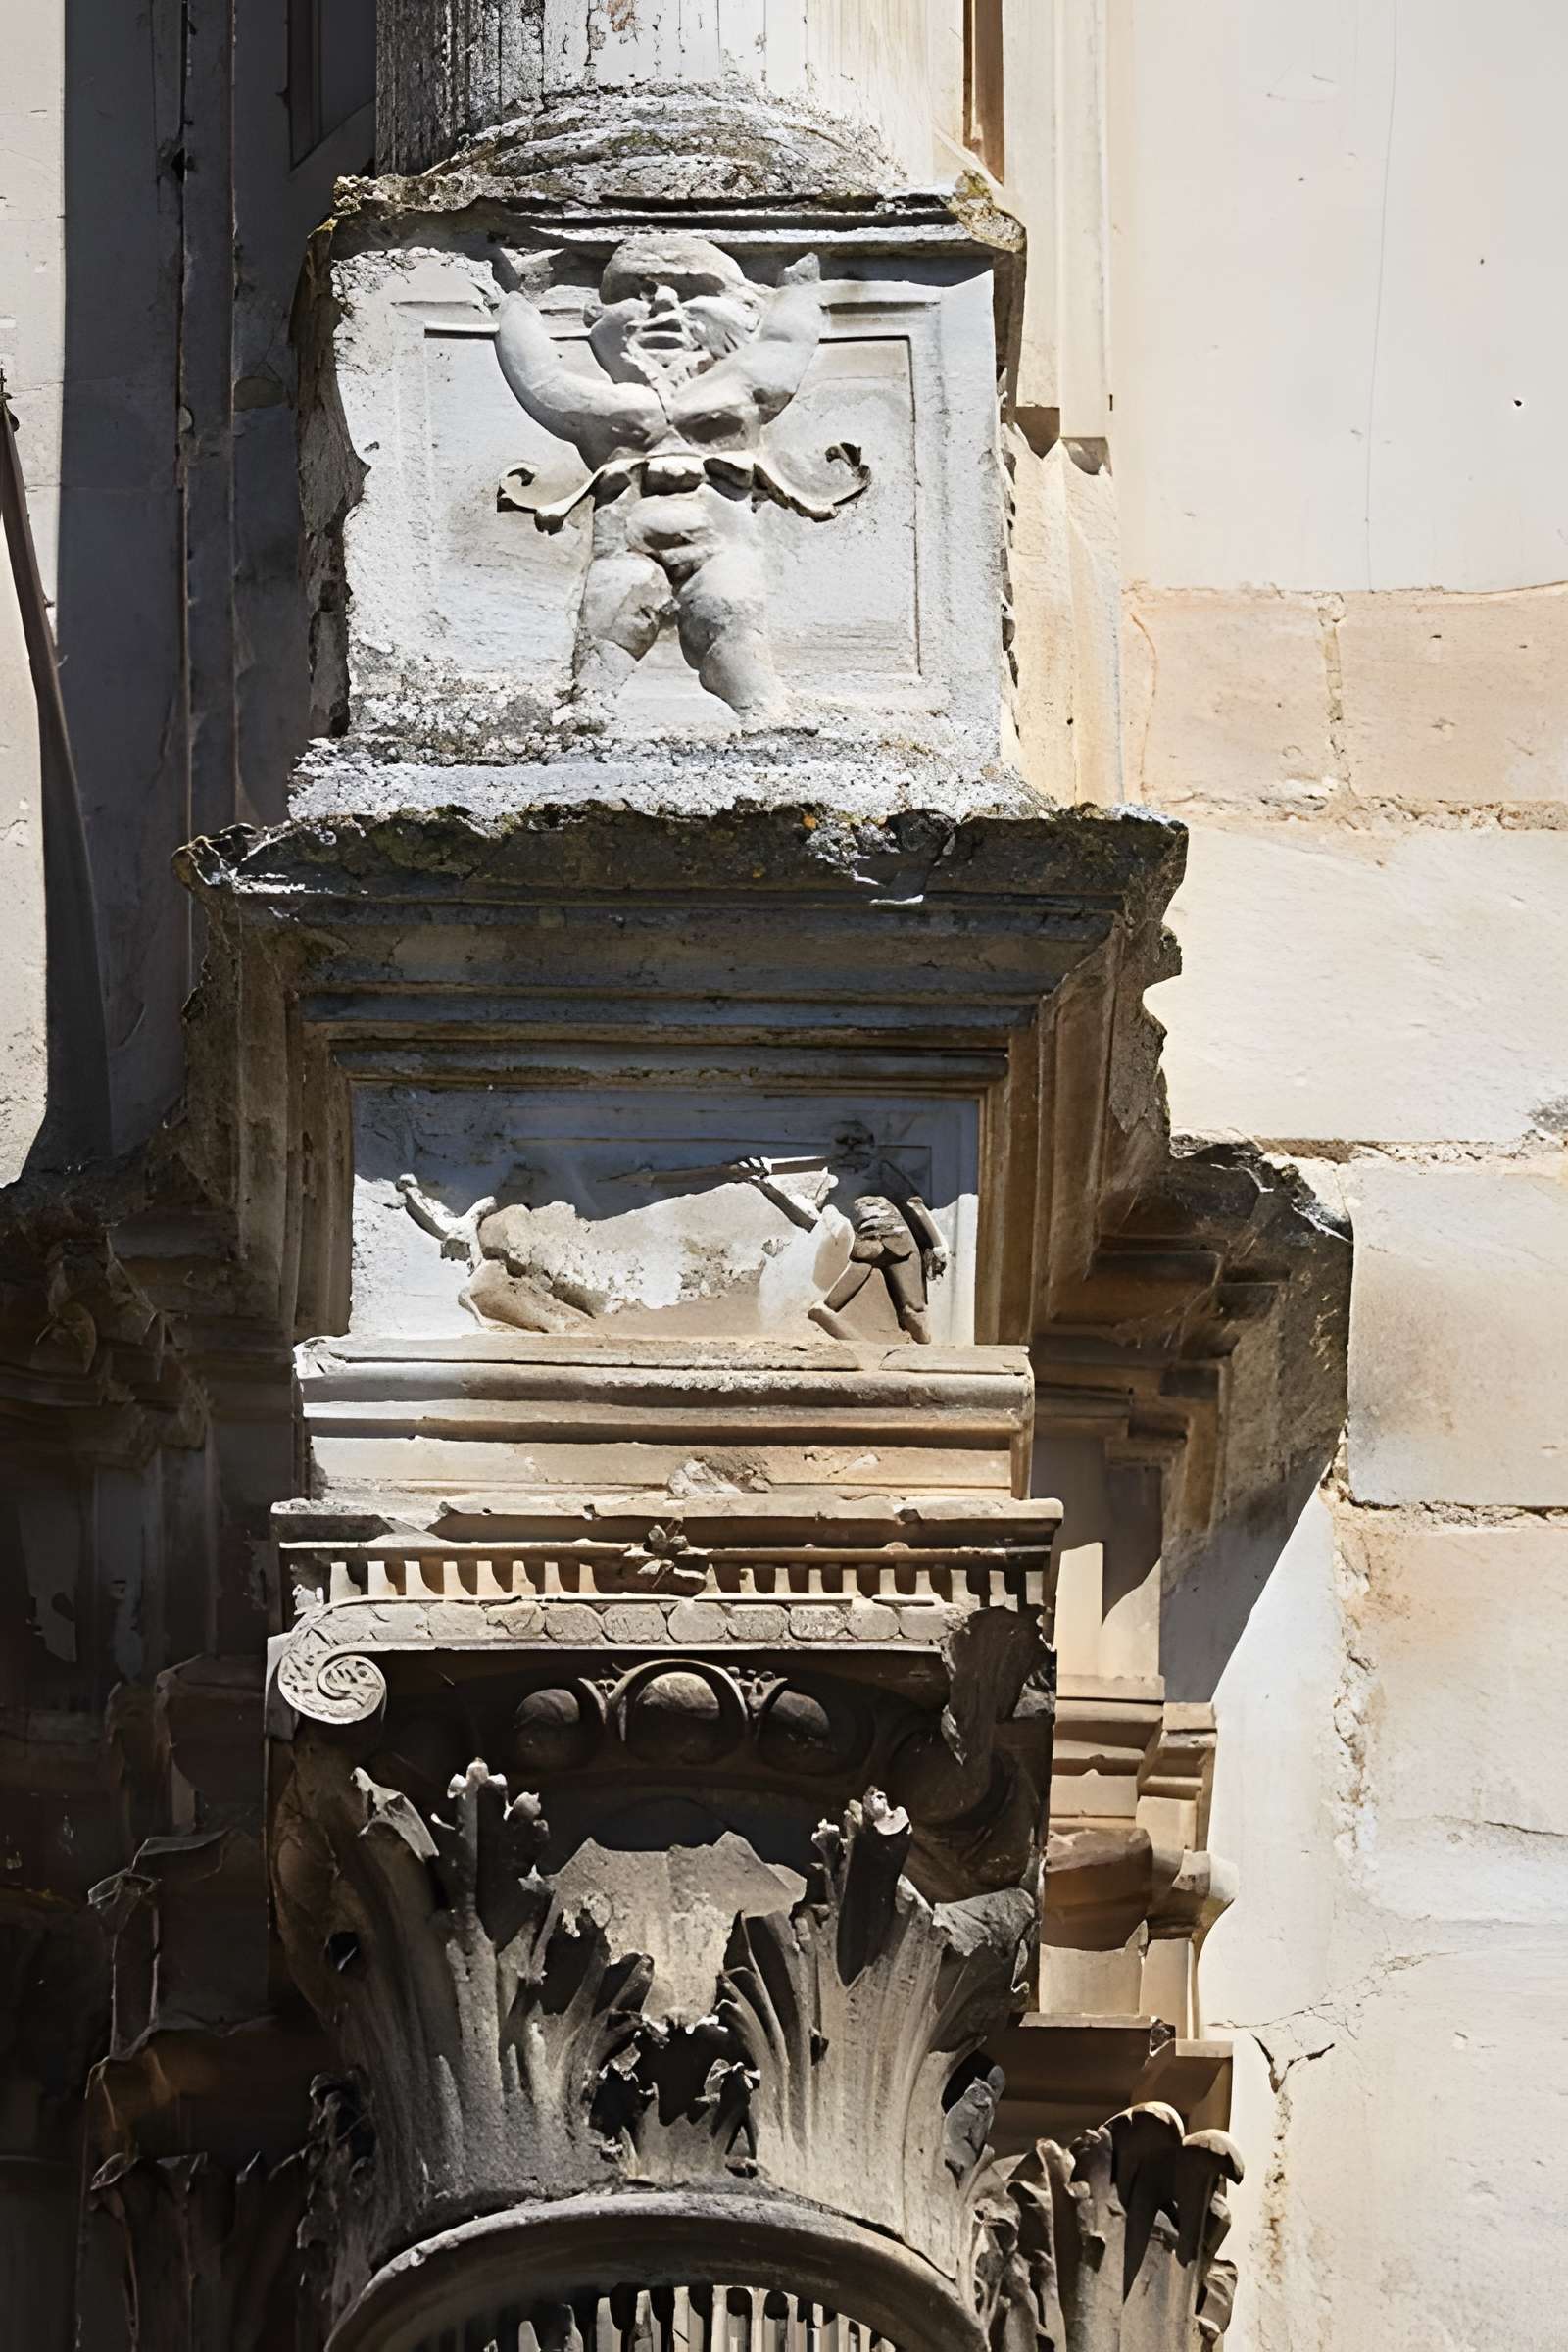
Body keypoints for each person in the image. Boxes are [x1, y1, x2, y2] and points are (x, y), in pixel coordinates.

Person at [490, 232, 865, 724]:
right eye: (637, 292)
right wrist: (518, 300)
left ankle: (764, 715)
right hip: (626, 545)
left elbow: (784, 346)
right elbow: (541, 380)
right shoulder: (613, 407)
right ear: (593, 320)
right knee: (612, 616)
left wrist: (797, 290)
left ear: (748, 314)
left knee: (729, 615)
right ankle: (588, 708)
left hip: (718, 545)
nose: (664, 305)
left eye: (693, 292)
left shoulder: (737, 388)